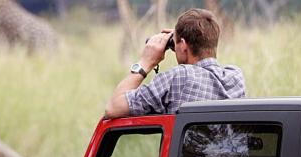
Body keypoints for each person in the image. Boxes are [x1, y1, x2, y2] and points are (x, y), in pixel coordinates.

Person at [104, 8, 245, 118]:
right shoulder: (235, 77)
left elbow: (113, 108)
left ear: (183, 45)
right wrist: (182, 37)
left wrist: (145, 63)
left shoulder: (179, 78)